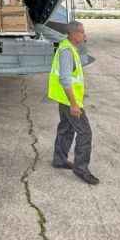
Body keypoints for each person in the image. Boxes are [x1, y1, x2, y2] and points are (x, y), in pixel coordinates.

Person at [48, 21, 99, 185]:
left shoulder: (68, 47)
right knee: (85, 133)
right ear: (73, 34)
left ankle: (59, 159)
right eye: (82, 32)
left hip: (64, 99)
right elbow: (65, 79)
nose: (85, 35)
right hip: (69, 101)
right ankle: (81, 168)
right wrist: (74, 104)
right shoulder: (67, 51)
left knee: (66, 128)